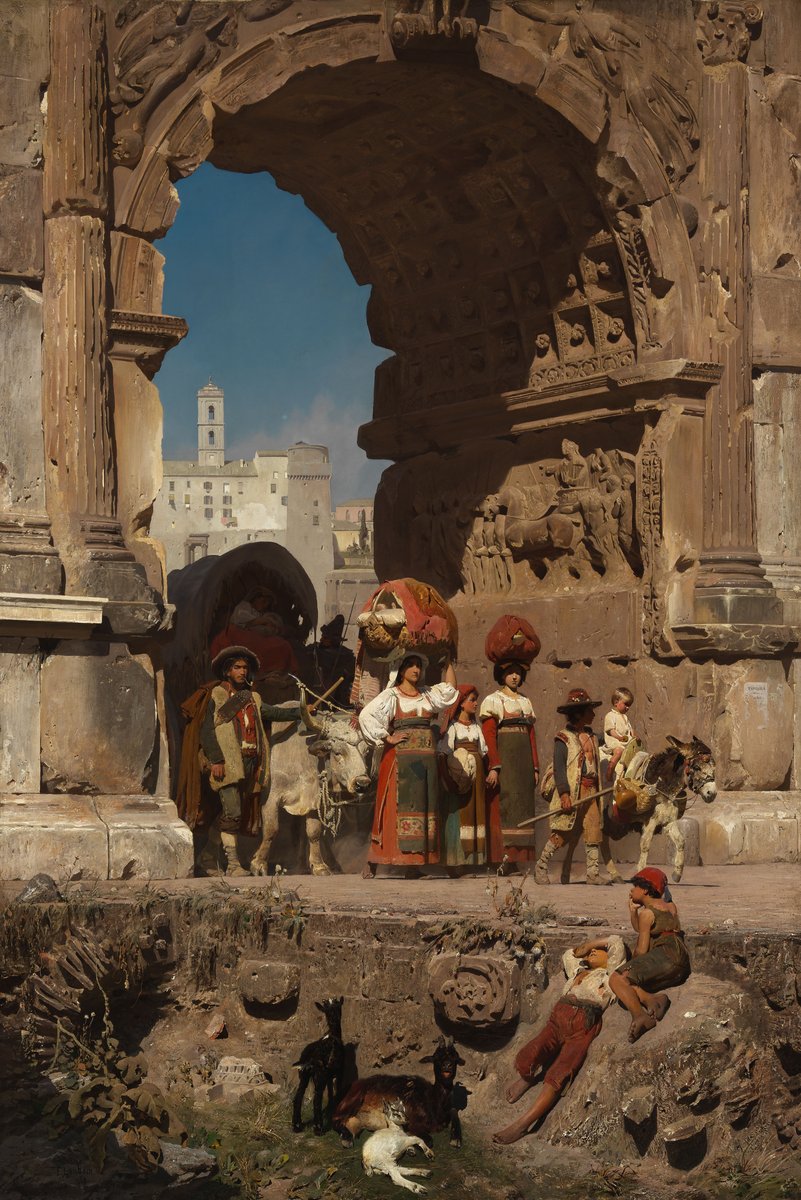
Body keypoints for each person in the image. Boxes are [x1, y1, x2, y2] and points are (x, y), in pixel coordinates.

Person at [492, 934, 627, 1144]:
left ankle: (523, 1123)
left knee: (560, 1072)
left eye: (598, 951)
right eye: (590, 951)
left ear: (610, 959)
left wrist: (592, 942)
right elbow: (569, 954)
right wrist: (585, 952)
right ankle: (527, 1078)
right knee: (531, 1052)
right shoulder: (578, 972)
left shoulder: (610, 975)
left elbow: (616, 942)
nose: (592, 952)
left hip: (582, 1023)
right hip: (558, 1020)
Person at [199, 646, 305, 875]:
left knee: (230, 813)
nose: (242, 672)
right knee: (233, 813)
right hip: (227, 763)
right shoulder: (217, 695)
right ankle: (234, 865)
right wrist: (216, 760)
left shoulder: (254, 698)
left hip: (249, 763)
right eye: (237, 667)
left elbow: (274, 713)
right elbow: (207, 730)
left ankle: (207, 857)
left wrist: (301, 712)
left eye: (245, 668)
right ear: (227, 671)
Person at [358, 653, 457, 878]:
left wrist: (448, 662)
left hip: (425, 764)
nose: (416, 670)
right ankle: (375, 860)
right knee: (394, 810)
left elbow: (450, 690)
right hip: (400, 762)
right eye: (410, 666)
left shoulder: (428, 694)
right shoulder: (391, 695)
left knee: (422, 810)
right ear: (401, 670)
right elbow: (366, 716)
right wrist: (387, 737)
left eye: (419, 666)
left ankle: (414, 866)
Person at [535, 688, 609, 886]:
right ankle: (541, 866)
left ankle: (592, 874)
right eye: (589, 711)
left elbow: (609, 740)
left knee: (593, 830)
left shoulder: (593, 736)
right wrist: (565, 794)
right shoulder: (563, 738)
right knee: (563, 831)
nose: (593, 714)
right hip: (573, 791)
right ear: (579, 713)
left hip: (591, 790)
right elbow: (559, 768)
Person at [609, 866, 691, 1042]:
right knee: (629, 987)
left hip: (665, 956)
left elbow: (642, 949)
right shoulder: (670, 907)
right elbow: (643, 928)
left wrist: (628, 968)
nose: (631, 890)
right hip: (680, 962)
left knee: (617, 980)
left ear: (645, 889)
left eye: (635, 886)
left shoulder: (647, 914)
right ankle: (654, 1001)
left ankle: (640, 1016)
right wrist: (633, 912)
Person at [479, 661, 539, 870]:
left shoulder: (525, 701)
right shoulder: (493, 700)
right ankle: (501, 859)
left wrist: (535, 767)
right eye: (510, 673)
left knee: (523, 808)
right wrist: (494, 765)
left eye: (518, 673)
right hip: (506, 761)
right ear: (501, 675)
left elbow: (531, 736)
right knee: (504, 806)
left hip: (523, 763)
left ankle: (518, 860)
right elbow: (489, 735)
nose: (514, 676)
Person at [438, 683, 494, 872]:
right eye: (472, 700)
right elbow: (444, 754)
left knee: (477, 813)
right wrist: (449, 780)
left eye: (476, 700)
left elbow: (484, 752)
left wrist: (489, 772)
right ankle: (455, 861)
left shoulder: (477, 728)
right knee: (458, 815)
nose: (476, 703)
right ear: (461, 703)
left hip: (477, 778)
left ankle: (474, 861)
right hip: (459, 777)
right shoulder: (453, 728)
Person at [312, 614, 356, 710]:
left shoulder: (346, 655)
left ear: (333, 640)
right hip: (320, 694)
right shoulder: (317, 650)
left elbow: (351, 674)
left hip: (338, 697)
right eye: (322, 636)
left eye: (325, 637)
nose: (321, 639)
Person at [602, 686, 637, 780]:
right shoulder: (610, 715)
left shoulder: (625, 717)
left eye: (629, 705)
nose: (628, 707)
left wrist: (634, 735)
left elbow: (630, 729)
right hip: (615, 742)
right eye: (626, 704)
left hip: (625, 742)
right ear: (616, 702)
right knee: (618, 752)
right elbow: (611, 730)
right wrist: (619, 737)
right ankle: (610, 770)